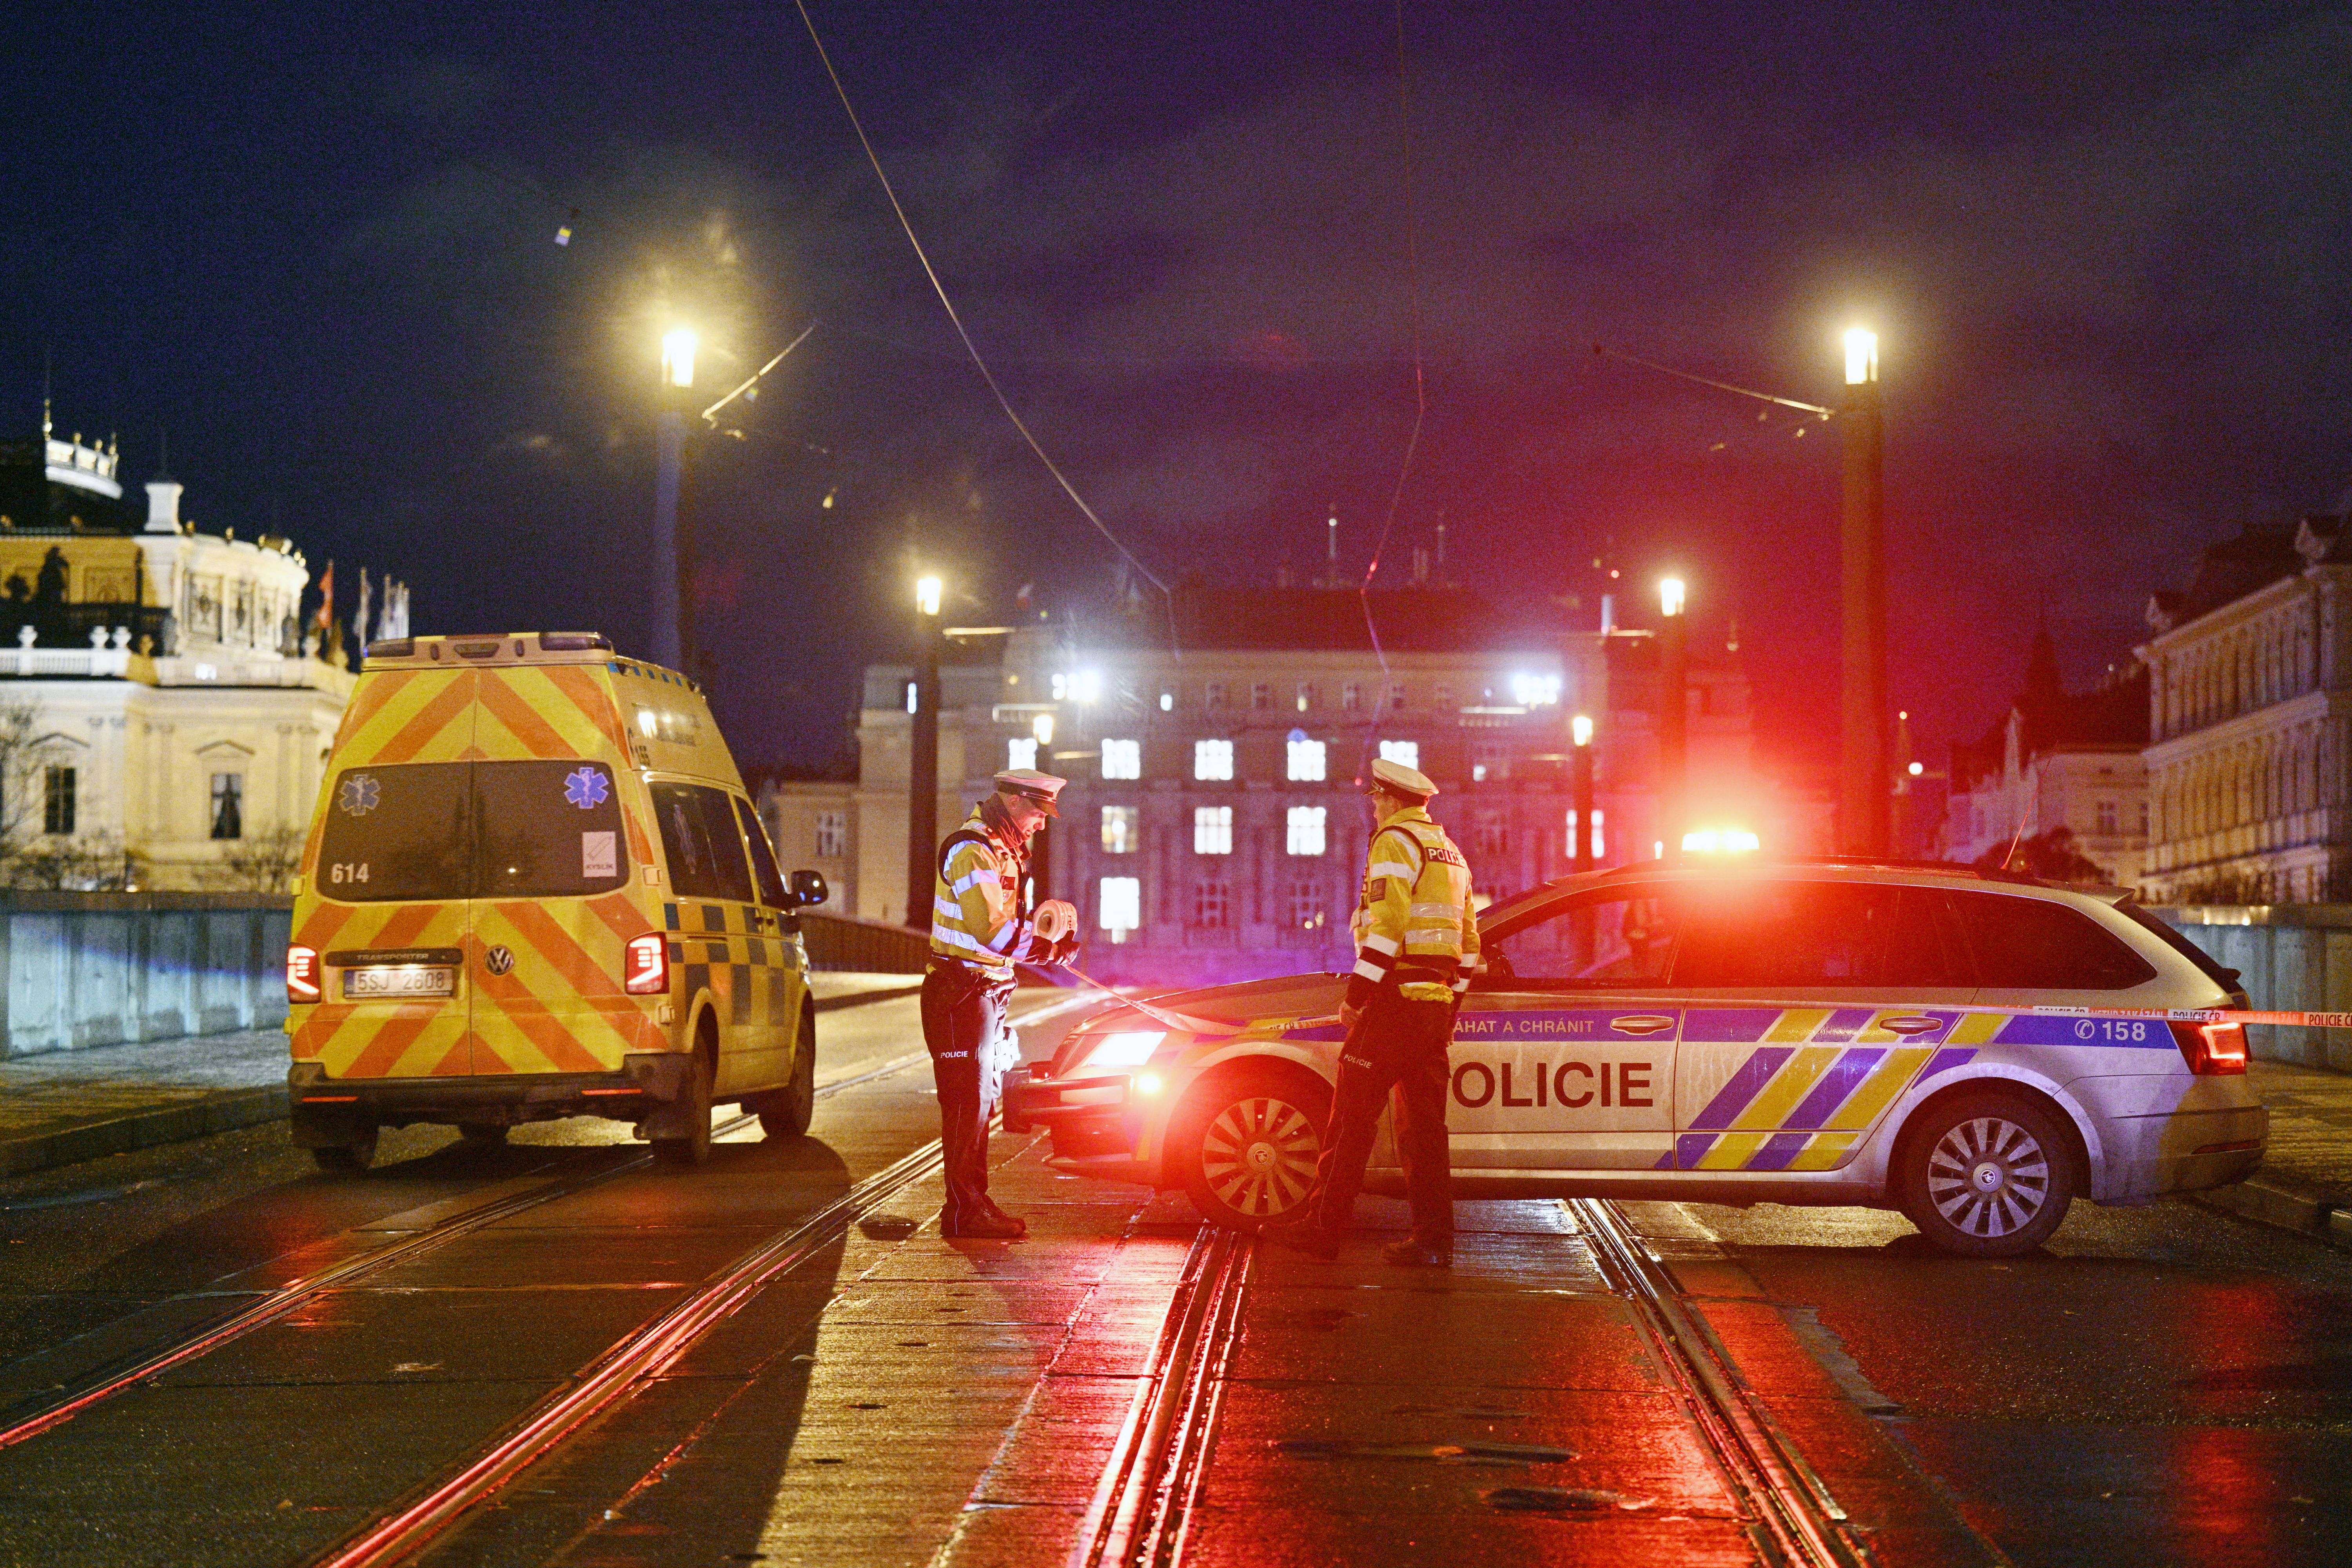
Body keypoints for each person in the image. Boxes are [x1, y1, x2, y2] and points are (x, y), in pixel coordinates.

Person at [1267, 757, 1479, 1267]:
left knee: (1351, 1120)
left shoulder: (1394, 842)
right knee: (1426, 1132)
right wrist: (1449, 1009)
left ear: (1389, 799)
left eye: (1377, 800)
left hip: (1393, 1004)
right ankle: (1434, 1242)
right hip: (1433, 1007)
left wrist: (1357, 997)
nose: (1374, 809)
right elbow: (1470, 946)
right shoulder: (1451, 853)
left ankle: (1323, 1228)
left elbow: (1388, 928)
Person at [923, 768, 1079, 1239]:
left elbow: (1001, 927)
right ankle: (963, 1212)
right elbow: (989, 930)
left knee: (980, 1102)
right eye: (1039, 812)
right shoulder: (972, 850)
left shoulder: (1000, 849)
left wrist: (1046, 942)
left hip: (982, 990)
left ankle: (972, 1203)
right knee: (967, 1104)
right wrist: (1046, 950)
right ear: (1013, 802)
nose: (1043, 823)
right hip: (961, 991)